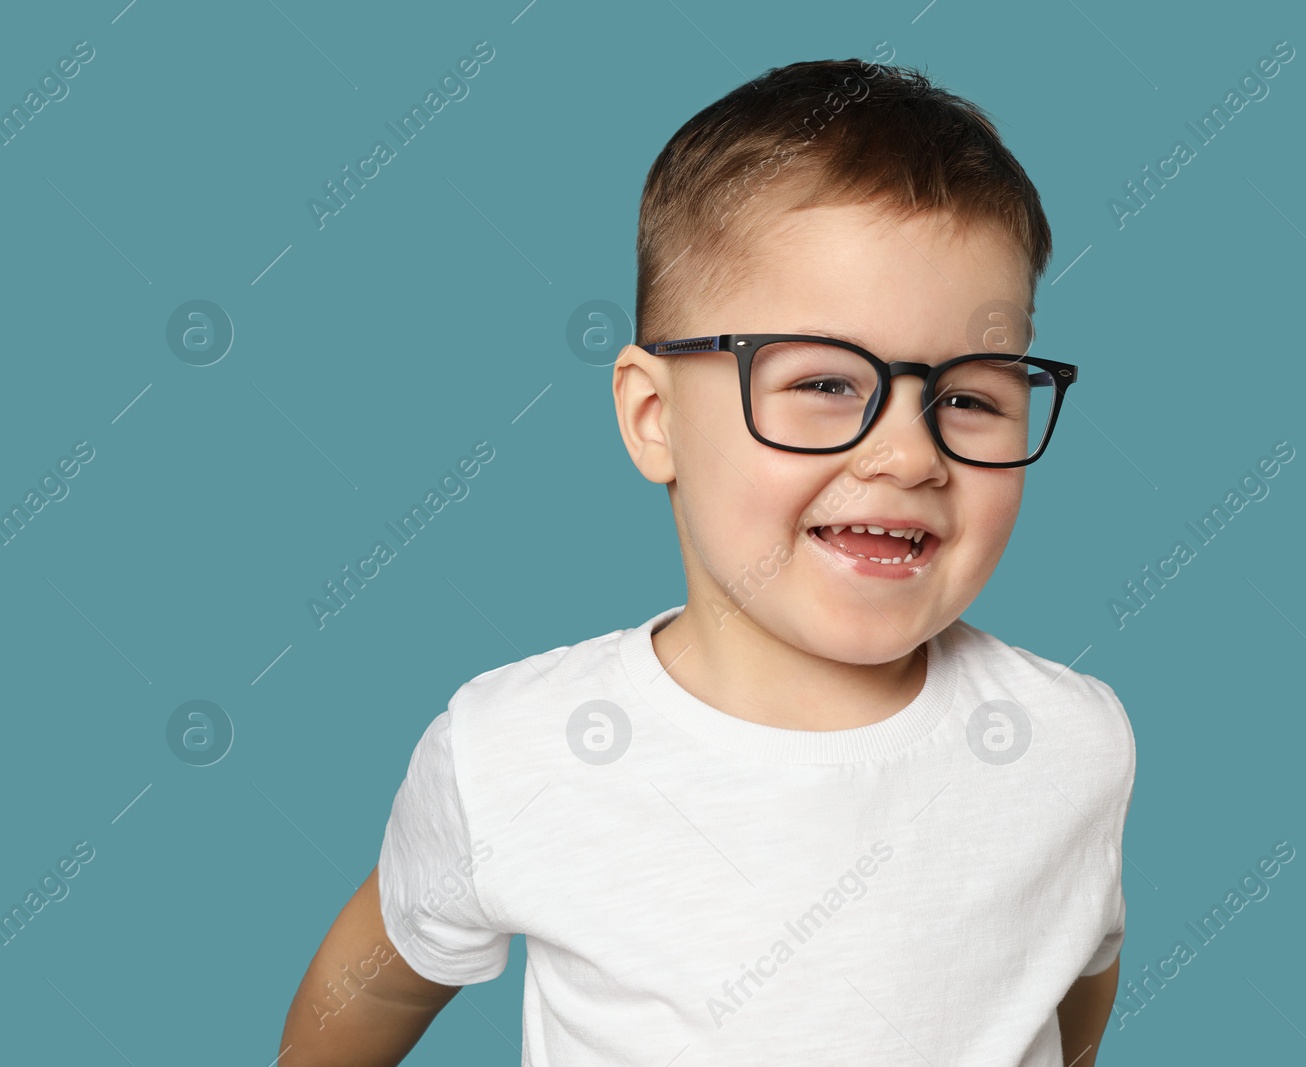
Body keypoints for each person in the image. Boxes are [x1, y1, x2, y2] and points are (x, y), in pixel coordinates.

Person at [279, 57, 1134, 1067]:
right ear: (655, 418)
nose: (909, 453)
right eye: (823, 379)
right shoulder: (513, 752)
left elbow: (1069, 980)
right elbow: (367, 984)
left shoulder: (1069, 740)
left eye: (972, 396)